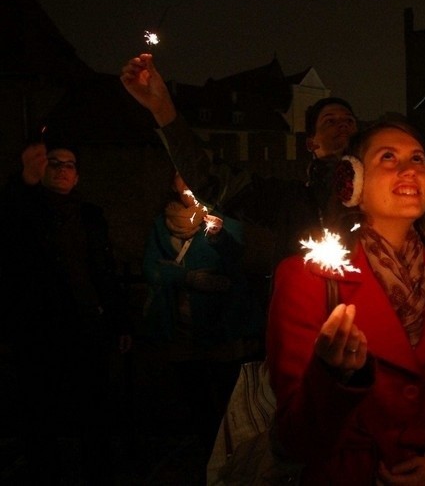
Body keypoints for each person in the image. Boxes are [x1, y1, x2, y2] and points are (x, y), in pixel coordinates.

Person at [266, 120, 425, 484]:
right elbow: (294, 437)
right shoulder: (308, 278)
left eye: (418, 159)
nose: (408, 169)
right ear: (352, 183)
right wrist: (331, 377)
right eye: (388, 157)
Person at [120, 53, 358, 279]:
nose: (343, 125)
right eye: (330, 121)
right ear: (311, 143)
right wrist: (162, 108)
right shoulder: (291, 201)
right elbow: (212, 181)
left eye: (349, 120)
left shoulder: (382, 190)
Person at [0, 140, 132, 485]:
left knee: (94, 409)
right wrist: (24, 180)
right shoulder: (26, 212)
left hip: (86, 326)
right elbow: (10, 220)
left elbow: (103, 269)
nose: (61, 169)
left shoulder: (89, 216)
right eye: (54, 163)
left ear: (77, 176)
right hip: (39, 329)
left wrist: (118, 320)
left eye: (69, 164)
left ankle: (98, 472)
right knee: (39, 412)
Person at [140, 171, 261, 456]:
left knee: (227, 398)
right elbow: (151, 268)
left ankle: (233, 456)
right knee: (195, 399)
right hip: (181, 330)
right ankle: (206, 456)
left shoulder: (224, 219)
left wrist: (220, 238)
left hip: (220, 328)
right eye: (183, 177)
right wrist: (188, 279)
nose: (190, 183)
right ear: (173, 184)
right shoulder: (162, 225)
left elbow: (237, 262)